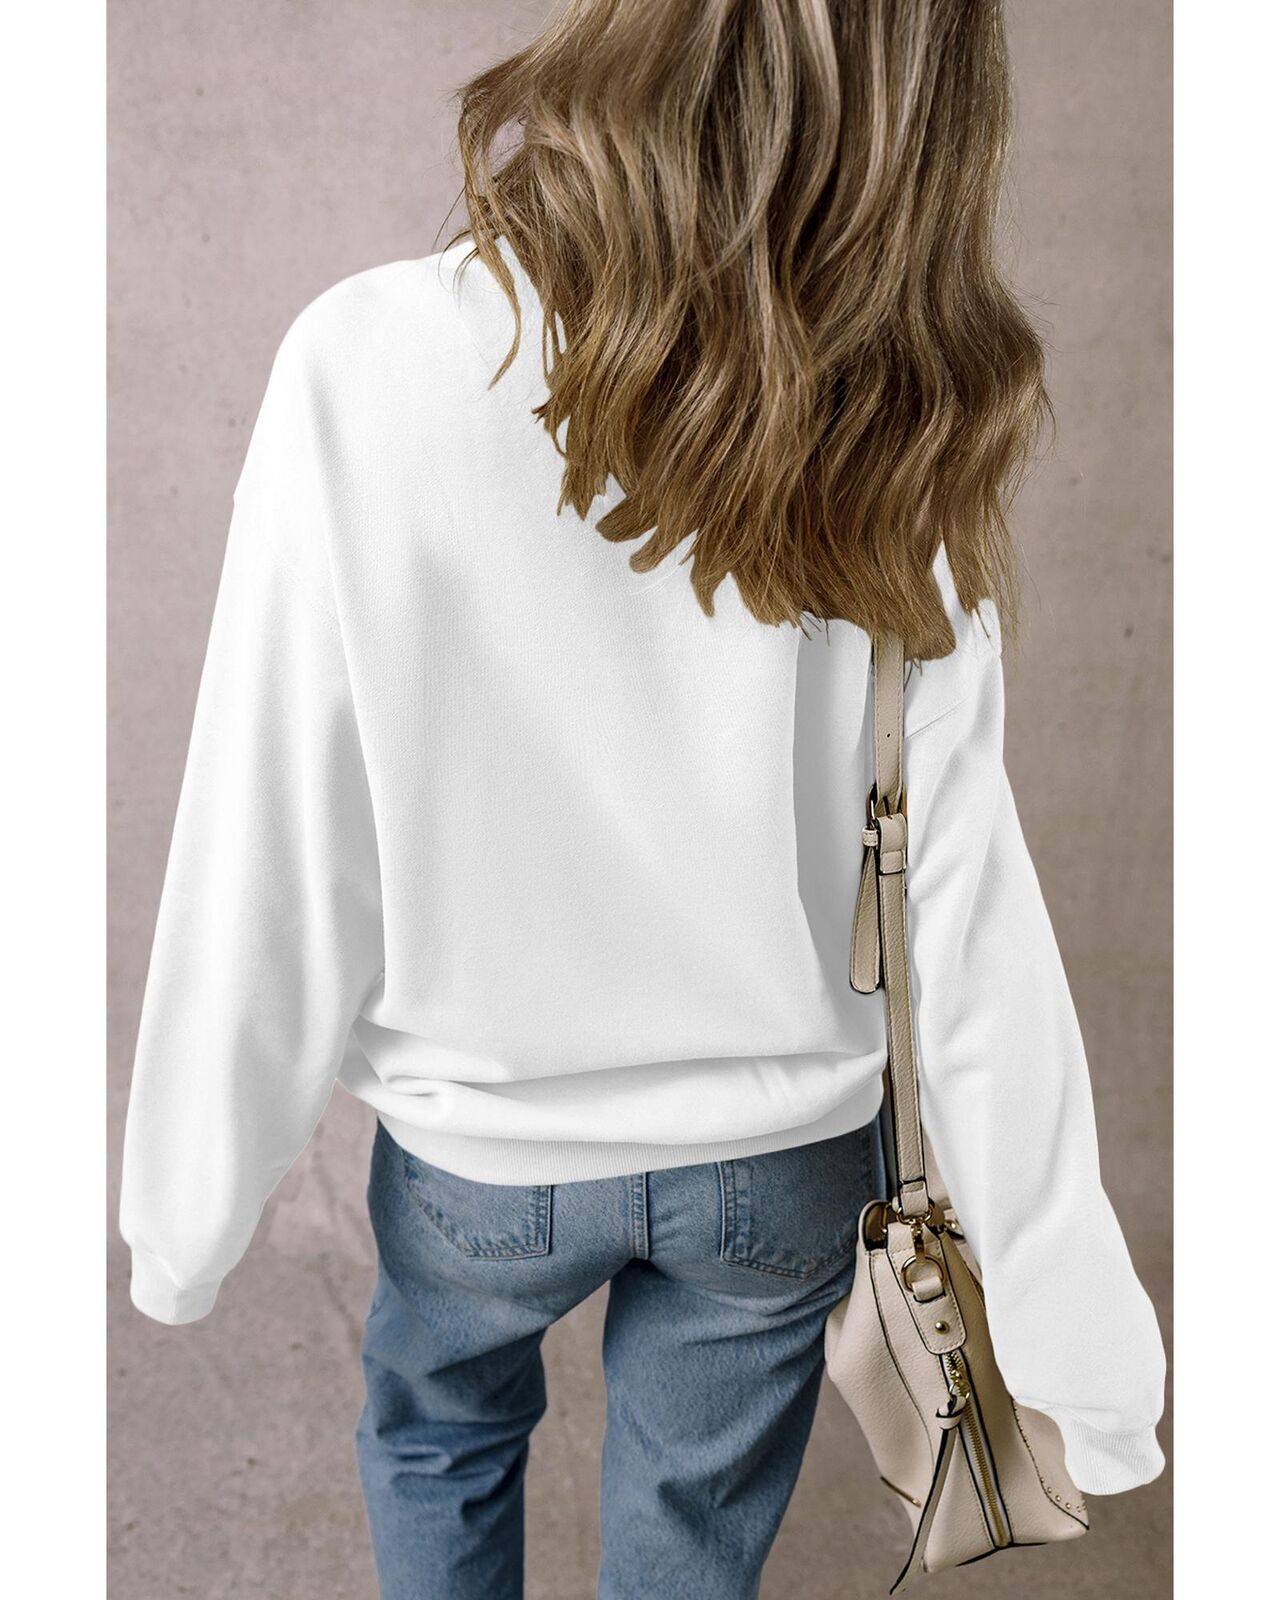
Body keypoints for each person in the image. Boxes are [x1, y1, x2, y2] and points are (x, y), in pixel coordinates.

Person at [118, 1, 1168, 1596]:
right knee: (688, 1535)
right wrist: (1086, 1360)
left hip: (480, 1148)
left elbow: (275, 822)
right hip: (779, 1160)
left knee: (439, 1437)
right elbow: (964, 911)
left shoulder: (367, 355)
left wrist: (184, 1216)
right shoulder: (900, 415)